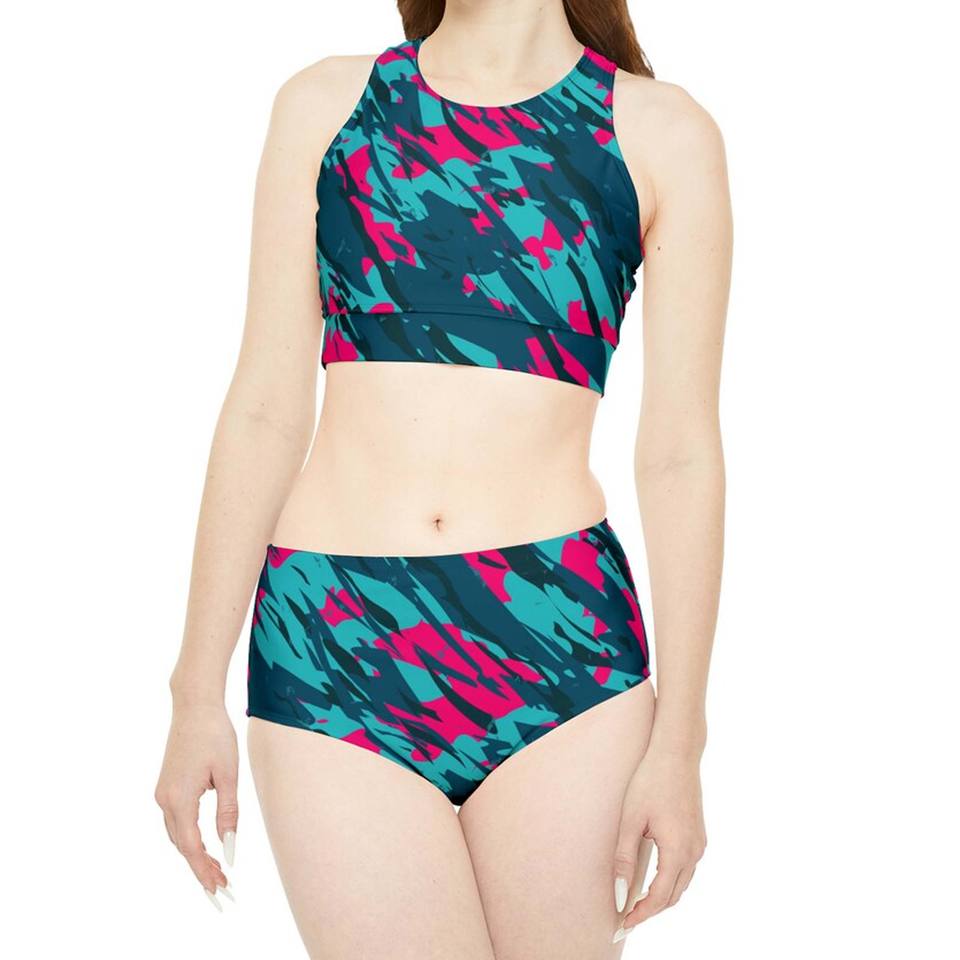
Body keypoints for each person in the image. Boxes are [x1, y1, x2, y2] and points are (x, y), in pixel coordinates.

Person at [155, 0, 732, 955]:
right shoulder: (327, 105)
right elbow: (263, 407)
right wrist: (193, 693)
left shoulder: (661, 132)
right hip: (333, 641)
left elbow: (679, 453)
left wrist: (683, 745)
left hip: (561, 649)